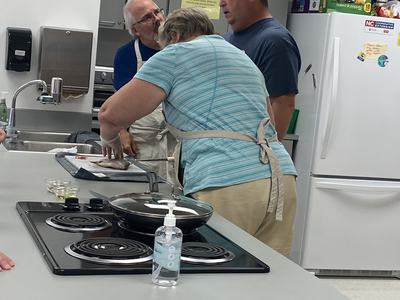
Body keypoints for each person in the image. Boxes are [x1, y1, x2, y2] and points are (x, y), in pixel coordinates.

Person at [99, 7, 297, 256]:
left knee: (213, 273)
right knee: (269, 275)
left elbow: (109, 114)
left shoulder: (176, 53)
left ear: (174, 38)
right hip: (281, 178)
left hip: (227, 181)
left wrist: (111, 141)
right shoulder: (243, 58)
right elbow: (268, 118)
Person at [220, 0, 301, 141]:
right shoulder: (225, 41)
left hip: (248, 153)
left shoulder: (276, 41)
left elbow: (282, 104)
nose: (221, 3)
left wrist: (265, 155)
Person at [113, 0, 176, 182]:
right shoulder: (126, 55)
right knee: (145, 189)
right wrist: (121, 133)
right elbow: (120, 103)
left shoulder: (179, 49)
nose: (157, 19)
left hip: (176, 138)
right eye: (147, 17)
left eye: (157, 12)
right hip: (143, 140)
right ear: (135, 30)